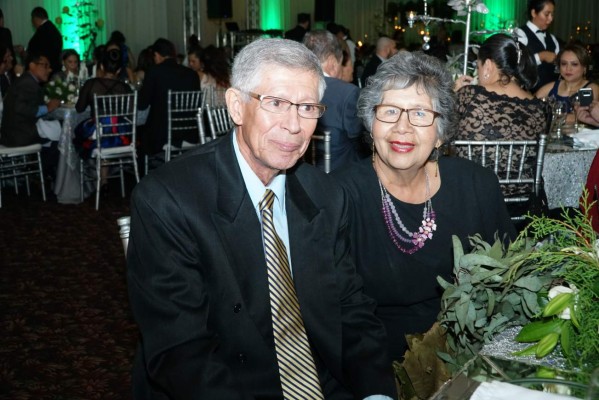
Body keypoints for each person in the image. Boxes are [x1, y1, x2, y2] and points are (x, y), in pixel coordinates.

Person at [127, 38, 397, 399]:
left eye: (306, 108)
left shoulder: (326, 195)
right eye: (275, 103)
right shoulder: (169, 200)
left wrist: (375, 393)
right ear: (237, 107)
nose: (293, 125)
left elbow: (351, 311)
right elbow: (182, 353)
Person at [332, 51, 516, 362]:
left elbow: (509, 280)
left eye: (419, 114)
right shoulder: (339, 196)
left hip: (471, 351)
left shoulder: (477, 186)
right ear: (371, 122)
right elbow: (336, 314)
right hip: (374, 358)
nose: (402, 127)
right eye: (389, 111)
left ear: (441, 133)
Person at [453, 34, 546, 202]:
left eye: (478, 66)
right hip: (521, 201)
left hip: (472, 197)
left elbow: (441, 132)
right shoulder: (538, 107)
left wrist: (453, 94)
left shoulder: (469, 95)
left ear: (488, 65)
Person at [303, 30, 367, 171]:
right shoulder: (347, 93)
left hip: (300, 173)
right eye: (340, 63)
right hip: (340, 175)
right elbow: (361, 144)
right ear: (333, 62)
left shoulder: (291, 87)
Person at [0, 52, 61, 178]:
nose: (49, 70)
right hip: (19, 134)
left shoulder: (26, 80)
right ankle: (45, 174)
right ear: (32, 66)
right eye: (45, 65)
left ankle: (43, 173)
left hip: (15, 132)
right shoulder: (27, 82)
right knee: (66, 131)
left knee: (58, 130)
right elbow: (20, 108)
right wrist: (48, 107)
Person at [137, 38, 200, 159]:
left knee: (142, 132)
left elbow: (142, 104)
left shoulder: (154, 72)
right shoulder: (192, 74)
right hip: (190, 132)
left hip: (162, 135)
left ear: (157, 55)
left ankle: (146, 174)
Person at [74, 48, 133, 161]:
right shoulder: (125, 88)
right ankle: (106, 171)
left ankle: (96, 171)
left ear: (101, 66)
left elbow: (79, 109)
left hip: (97, 133)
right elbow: (129, 115)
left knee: (79, 134)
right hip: (120, 134)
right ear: (119, 70)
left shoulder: (91, 84)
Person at [535, 43, 599, 122]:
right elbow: (530, 108)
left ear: (585, 68)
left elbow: (585, 117)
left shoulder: (591, 89)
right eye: (564, 64)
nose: (568, 69)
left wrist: (547, 116)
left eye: (574, 64)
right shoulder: (550, 87)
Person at [516, 0, 559, 92]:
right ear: (534, 13)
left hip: (551, 93)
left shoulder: (552, 38)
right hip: (527, 93)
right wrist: (540, 56)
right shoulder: (520, 33)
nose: (551, 19)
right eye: (547, 14)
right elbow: (516, 63)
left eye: (552, 14)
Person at [27, 7, 63, 78]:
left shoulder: (41, 31)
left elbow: (34, 50)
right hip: (55, 69)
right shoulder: (53, 29)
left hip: (44, 72)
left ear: (35, 19)